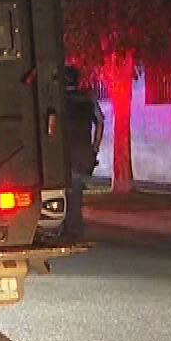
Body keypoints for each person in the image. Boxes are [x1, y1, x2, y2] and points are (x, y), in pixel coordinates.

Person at [62, 65, 104, 238]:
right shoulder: (88, 99)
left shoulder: (60, 100)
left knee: (66, 190)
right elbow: (100, 122)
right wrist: (95, 146)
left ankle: (69, 227)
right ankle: (75, 227)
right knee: (76, 188)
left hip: (64, 152)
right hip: (83, 152)